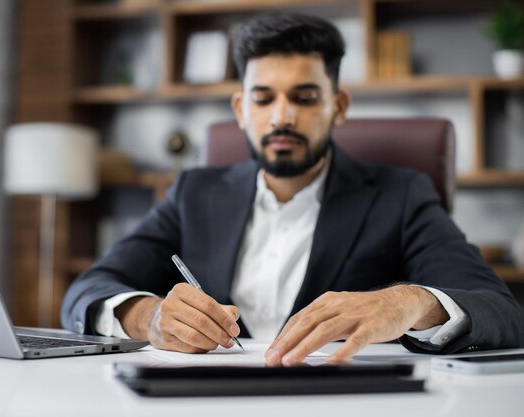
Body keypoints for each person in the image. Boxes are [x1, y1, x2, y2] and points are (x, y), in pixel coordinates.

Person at [61, 13, 524, 365]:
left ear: (338, 107)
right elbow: (87, 290)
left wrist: (408, 302)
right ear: (241, 109)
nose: (282, 116)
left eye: (304, 98)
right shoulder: (193, 192)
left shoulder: (400, 193)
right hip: (204, 398)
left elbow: (502, 311)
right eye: (264, 99)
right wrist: (149, 317)